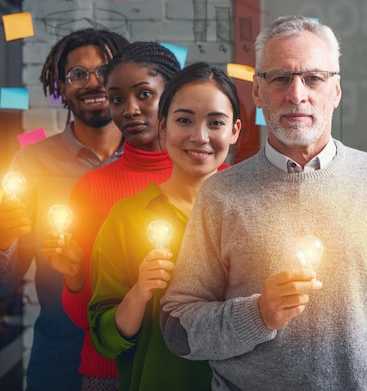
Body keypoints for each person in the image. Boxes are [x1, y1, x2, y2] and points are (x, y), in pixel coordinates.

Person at [160, 15, 367, 389]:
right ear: (257, 93)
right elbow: (178, 328)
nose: (297, 94)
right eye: (280, 78)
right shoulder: (221, 193)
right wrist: (259, 314)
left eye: (313, 78)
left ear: (336, 90)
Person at [88, 63, 240, 390]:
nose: (200, 137)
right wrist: (141, 292)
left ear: (235, 131)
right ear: (162, 127)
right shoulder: (127, 218)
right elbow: (106, 339)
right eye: (184, 120)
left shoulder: (255, 213)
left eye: (215, 123)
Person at [40, 41, 181, 389]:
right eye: (117, 99)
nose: (130, 109)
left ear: (173, 95)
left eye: (144, 95)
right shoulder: (91, 188)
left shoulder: (216, 179)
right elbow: (84, 318)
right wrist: (74, 277)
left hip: (189, 370)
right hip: (109, 372)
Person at [0, 28, 129, 391]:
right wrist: (3, 238)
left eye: (104, 71)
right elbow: (4, 285)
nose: (93, 83)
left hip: (139, 359)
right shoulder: (31, 164)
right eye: (78, 74)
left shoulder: (157, 159)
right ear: (60, 85)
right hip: (61, 363)